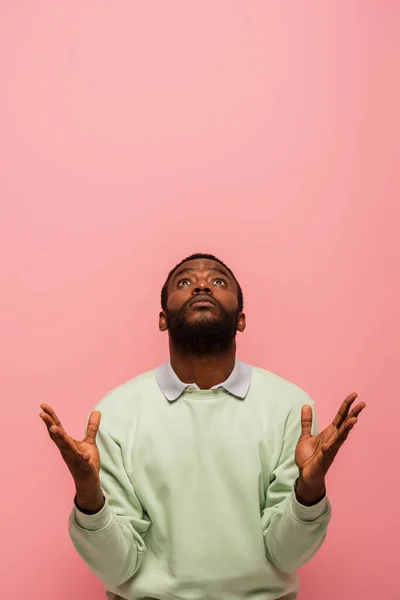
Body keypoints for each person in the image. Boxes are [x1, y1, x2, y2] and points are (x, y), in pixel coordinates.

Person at [39, 253, 365, 600]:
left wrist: (309, 489)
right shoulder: (114, 414)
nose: (202, 284)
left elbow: (288, 555)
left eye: (219, 281)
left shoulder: (290, 409)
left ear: (241, 319)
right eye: (184, 281)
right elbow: (116, 568)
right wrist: (89, 495)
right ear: (163, 318)